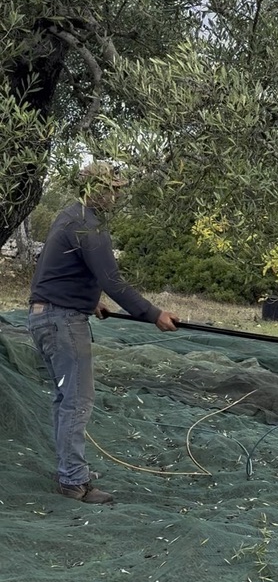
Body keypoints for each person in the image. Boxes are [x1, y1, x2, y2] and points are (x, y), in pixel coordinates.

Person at [28, 162, 179, 505]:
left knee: (65, 400)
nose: (117, 193)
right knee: (77, 402)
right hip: (62, 321)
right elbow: (113, 281)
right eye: (112, 187)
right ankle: (73, 481)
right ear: (93, 188)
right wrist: (154, 314)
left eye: (119, 187)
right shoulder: (88, 225)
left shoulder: (68, 216)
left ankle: (70, 469)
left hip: (44, 316)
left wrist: (89, 300)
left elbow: (61, 269)